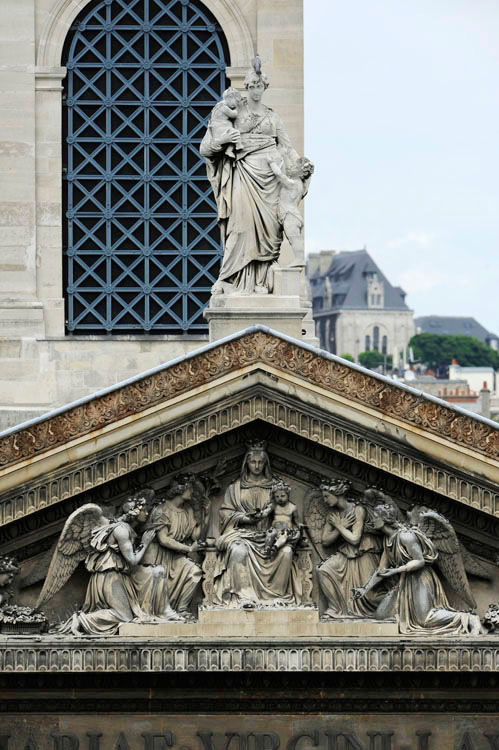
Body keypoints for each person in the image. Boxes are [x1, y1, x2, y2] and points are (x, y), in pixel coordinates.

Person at [200, 63, 299, 295]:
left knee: (271, 232)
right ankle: (230, 280)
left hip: (271, 179)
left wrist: (301, 168)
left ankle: (260, 283)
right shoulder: (230, 111)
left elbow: (287, 147)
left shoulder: (273, 117)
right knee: (241, 227)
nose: (256, 90)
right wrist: (222, 142)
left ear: (265, 87)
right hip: (244, 174)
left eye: (260, 85)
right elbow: (206, 148)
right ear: (245, 87)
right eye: (252, 85)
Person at [351, 503, 483, 635]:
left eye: (375, 517)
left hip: (421, 579)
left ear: (385, 519)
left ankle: (468, 618)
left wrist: (396, 571)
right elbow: (382, 570)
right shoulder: (388, 539)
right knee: (382, 615)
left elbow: (419, 561)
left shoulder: (405, 536)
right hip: (406, 581)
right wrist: (364, 589)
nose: (371, 520)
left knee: (425, 619)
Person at [64, 495, 172, 635]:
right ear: (134, 512)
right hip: (109, 577)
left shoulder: (121, 526)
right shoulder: (121, 530)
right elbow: (132, 560)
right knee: (124, 616)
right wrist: (145, 543)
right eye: (144, 510)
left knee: (154, 573)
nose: (147, 513)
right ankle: (81, 619)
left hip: (116, 575)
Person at [213, 442, 302, 606]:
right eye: (253, 462)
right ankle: (244, 597)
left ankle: (278, 597)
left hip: (269, 536)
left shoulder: (276, 488)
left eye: (260, 462)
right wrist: (247, 518)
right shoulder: (235, 489)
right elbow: (225, 514)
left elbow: (285, 514)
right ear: (246, 463)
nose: (257, 466)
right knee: (238, 551)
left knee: (287, 552)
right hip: (243, 535)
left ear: (265, 463)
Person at [316, 480, 384, 619]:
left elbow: (355, 539)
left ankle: (395, 601)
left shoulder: (358, 509)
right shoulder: (332, 515)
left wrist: (339, 526)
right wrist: (339, 526)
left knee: (370, 595)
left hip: (364, 552)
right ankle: (335, 609)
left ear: (338, 493)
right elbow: (325, 540)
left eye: (327, 496)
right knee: (323, 570)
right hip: (346, 553)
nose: (324, 500)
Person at [142, 476, 203, 621]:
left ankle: (182, 609)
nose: (192, 491)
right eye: (189, 488)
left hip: (177, 556)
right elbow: (163, 539)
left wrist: (200, 515)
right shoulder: (162, 510)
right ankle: (162, 609)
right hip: (160, 556)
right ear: (179, 489)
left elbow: (194, 535)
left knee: (195, 572)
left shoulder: (188, 510)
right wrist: (188, 549)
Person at [268, 157, 314, 268]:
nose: (290, 168)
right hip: (289, 215)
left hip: (290, 215)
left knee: (294, 238)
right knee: (292, 238)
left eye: (294, 167)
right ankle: (299, 258)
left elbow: (280, 176)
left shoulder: (294, 183)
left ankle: (300, 259)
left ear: (300, 172)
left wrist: (271, 163)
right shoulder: (299, 184)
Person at [264, 480, 301, 557]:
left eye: (282, 496)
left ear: (288, 495)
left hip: (286, 530)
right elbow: (266, 512)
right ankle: (267, 548)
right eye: (277, 497)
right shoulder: (274, 505)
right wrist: (261, 513)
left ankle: (275, 547)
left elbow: (296, 520)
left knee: (284, 535)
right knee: (270, 534)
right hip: (275, 528)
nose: (280, 498)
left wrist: (300, 526)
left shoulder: (292, 507)